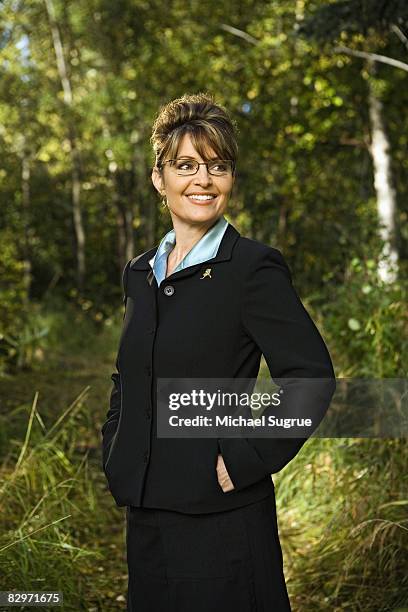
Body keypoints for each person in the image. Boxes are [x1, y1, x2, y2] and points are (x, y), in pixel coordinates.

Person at [101, 92, 336, 612]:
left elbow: (310, 376)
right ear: (159, 179)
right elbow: (129, 375)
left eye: (217, 166)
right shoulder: (139, 274)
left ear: (230, 178)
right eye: (185, 165)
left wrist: (246, 455)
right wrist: (115, 446)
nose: (202, 180)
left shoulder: (253, 269)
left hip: (222, 519)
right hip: (145, 513)